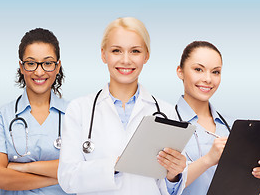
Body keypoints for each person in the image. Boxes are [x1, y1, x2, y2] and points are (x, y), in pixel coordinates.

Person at [58, 17, 187, 195]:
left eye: (135, 51)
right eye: (116, 51)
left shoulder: (166, 112)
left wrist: (174, 175)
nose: (126, 60)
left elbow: (170, 189)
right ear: (103, 54)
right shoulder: (79, 109)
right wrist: (116, 165)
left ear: (146, 56)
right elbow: (68, 179)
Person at [175, 41, 260, 195]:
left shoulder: (234, 127)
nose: (208, 79)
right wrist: (208, 160)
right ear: (180, 72)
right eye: (198, 69)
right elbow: (158, 186)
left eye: (215, 72)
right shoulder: (166, 121)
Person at [0, 28, 70, 195]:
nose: (39, 71)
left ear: (58, 66)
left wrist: (24, 167)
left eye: (48, 63)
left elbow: (81, 167)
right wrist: (60, 176)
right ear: (21, 67)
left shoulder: (75, 114)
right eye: (31, 63)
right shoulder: (0, 117)